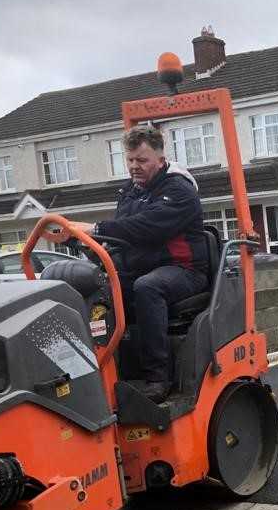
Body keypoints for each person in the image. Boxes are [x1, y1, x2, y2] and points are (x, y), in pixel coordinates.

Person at [65, 126, 208, 402]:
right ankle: (100, 368)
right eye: (129, 160)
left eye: (141, 160)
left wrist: (95, 228)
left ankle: (157, 377)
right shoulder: (130, 191)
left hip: (184, 271)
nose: (134, 167)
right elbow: (123, 233)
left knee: (147, 288)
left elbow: (144, 228)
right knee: (96, 288)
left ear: (160, 157)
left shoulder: (179, 191)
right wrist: (91, 244)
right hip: (143, 266)